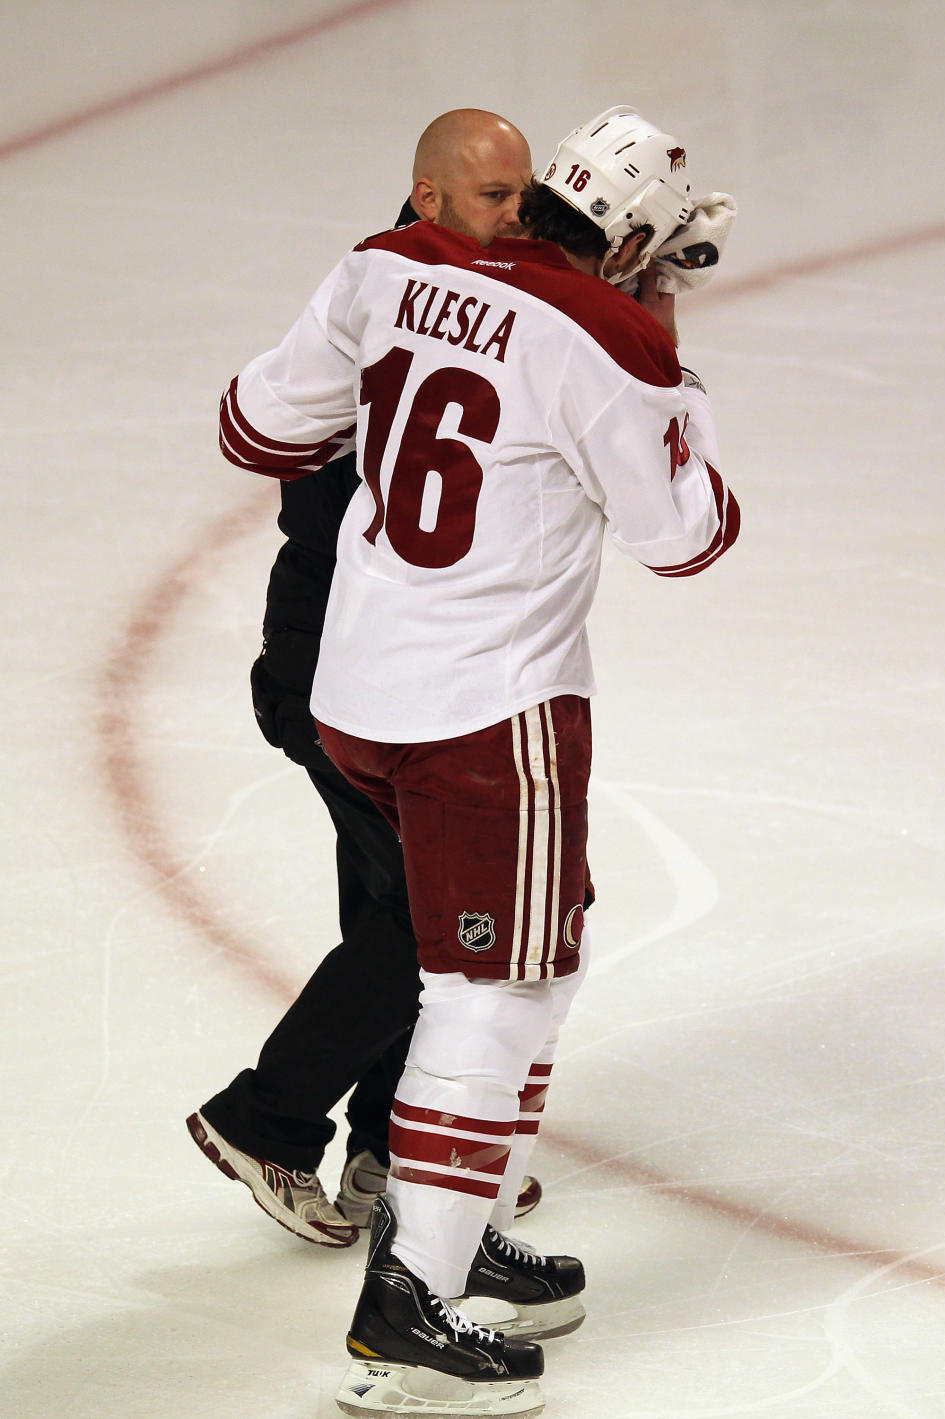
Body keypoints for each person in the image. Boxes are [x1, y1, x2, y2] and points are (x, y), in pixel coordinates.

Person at [218, 105, 740, 1419]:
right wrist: (666, 353)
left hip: (354, 685)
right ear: (632, 241)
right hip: (485, 713)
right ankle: (410, 1302)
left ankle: (464, 1222)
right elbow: (689, 536)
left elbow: (257, 429)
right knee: (497, 989)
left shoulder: (389, 260)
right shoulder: (612, 336)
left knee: (532, 947)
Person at [188, 110, 543, 1248]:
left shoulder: (439, 304)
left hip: (380, 672)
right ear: (427, 205)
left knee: (400, 908)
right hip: (344, 674)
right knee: (433, 921)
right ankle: (273, 1118)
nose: (518, 221)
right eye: (495, 201)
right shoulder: (387, 322)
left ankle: (388, 1149)